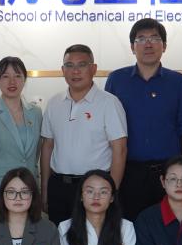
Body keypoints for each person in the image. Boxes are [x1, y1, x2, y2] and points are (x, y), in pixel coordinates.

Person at [105, 19, 182, 220]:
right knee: (129, 229)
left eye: (155, 38)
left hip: (169, 173)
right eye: (141, 39)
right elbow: (107, 130)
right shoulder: (117, 80)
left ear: (164, 46)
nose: (148, 44)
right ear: (132, 47)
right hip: (128, 172)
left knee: (169, 229)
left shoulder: (179, 82)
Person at [40, 44, 127, 224]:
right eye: (69, 65)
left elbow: (120, 150)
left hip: (94, 190)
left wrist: (111, 193)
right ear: (62, 70)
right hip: (59, 187)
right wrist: (45, 190)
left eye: (82, 65)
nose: (75, 71)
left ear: (93, 69)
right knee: (60, 239)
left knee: (93, 239)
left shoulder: (109, 103)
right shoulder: (54, 103)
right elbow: (47, 146)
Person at [0, 56, 43, 222]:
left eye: (18, 76)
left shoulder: (36, 113)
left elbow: (35, 155)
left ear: (24, 80)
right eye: (5, 76)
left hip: (29, 190)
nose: (12, 81)